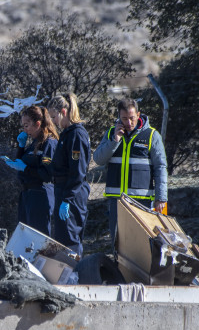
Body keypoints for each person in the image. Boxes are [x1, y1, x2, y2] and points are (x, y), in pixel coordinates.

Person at [93, 98, 168, 242]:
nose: (128, 123)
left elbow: (161, 168)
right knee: (118, 241)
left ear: (138, 115)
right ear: (118, 117)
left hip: (141, 202)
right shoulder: (110, 134)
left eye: (132, 118)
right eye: (124, 118)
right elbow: (98, 159)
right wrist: (115, 141)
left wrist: (161, 198)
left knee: (141, 242)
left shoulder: (152, 135)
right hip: (117, 202)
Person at [45, 93, 91, 256]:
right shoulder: (66, 134)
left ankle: (74, 277)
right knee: (62, 238)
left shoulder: (76, 134)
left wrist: (67, 199)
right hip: (62, 190)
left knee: (71, 239)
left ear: (63, 112)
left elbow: (77, 171)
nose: (54, 122)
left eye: (54, 117)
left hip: (71, 194)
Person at [3, 105, 59, 237]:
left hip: (40, 195)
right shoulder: (33, 143)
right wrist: (21, 147)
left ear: (37, 124)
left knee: (38, 237)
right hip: (27, 194)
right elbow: (23, 161)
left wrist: (25, 168)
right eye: (23, 126)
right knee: (25, 236)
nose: (24, 129)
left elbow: (46, 174)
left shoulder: (48, 144)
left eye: (27, 125)